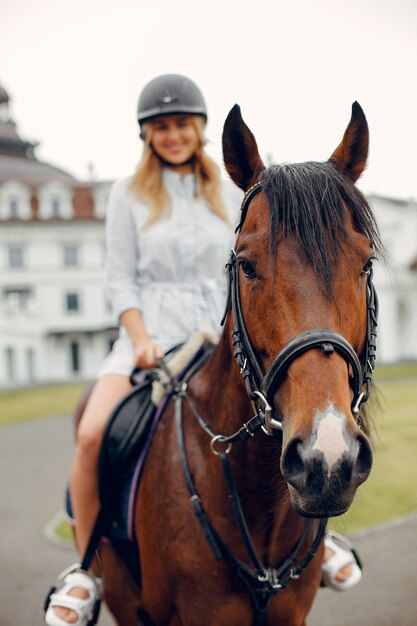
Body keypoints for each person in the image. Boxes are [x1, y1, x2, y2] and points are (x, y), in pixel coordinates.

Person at [45, 74, 361, 626]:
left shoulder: (231, 192)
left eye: (182, 125)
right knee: (93, 431)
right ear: (147, 135)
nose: (173, 136)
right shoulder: (126, 194)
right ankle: (88, 569)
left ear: (200, 129)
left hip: (221, 339)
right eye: (161, 127)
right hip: (148, 345)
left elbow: (260, 267)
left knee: (292, 418)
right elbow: (120, 281)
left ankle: (311, 543)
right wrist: (140, 338)